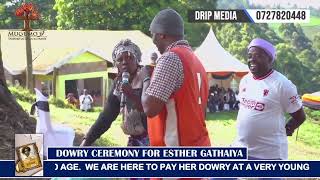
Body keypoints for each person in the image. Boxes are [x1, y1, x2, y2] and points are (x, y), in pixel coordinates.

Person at [141, 8, 211, 146]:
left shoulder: (171, 58)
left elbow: (150, 108)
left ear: (162, 35)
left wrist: (146, 78)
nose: (153, 40)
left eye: (153, 34)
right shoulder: (196, 61)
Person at [234, 38, 306, 160]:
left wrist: (289, 128)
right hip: (241, 148)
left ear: (269, 59)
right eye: (250, 55)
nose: (252, 59)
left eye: (258, 55)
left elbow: (300, 116)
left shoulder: (282, 84)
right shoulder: (245, 80)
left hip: (270, 154)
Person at [80, 39, 149, 146]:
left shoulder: (146, 77)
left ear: (137, 60)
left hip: (153, 140)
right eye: (120, 60)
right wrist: (86, 141)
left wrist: (131, 94)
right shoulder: (118, 83)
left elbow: (151, 111)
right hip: (135, 142)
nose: (124, 62)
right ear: (116, 64)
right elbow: (106, 117)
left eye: (129, 57)